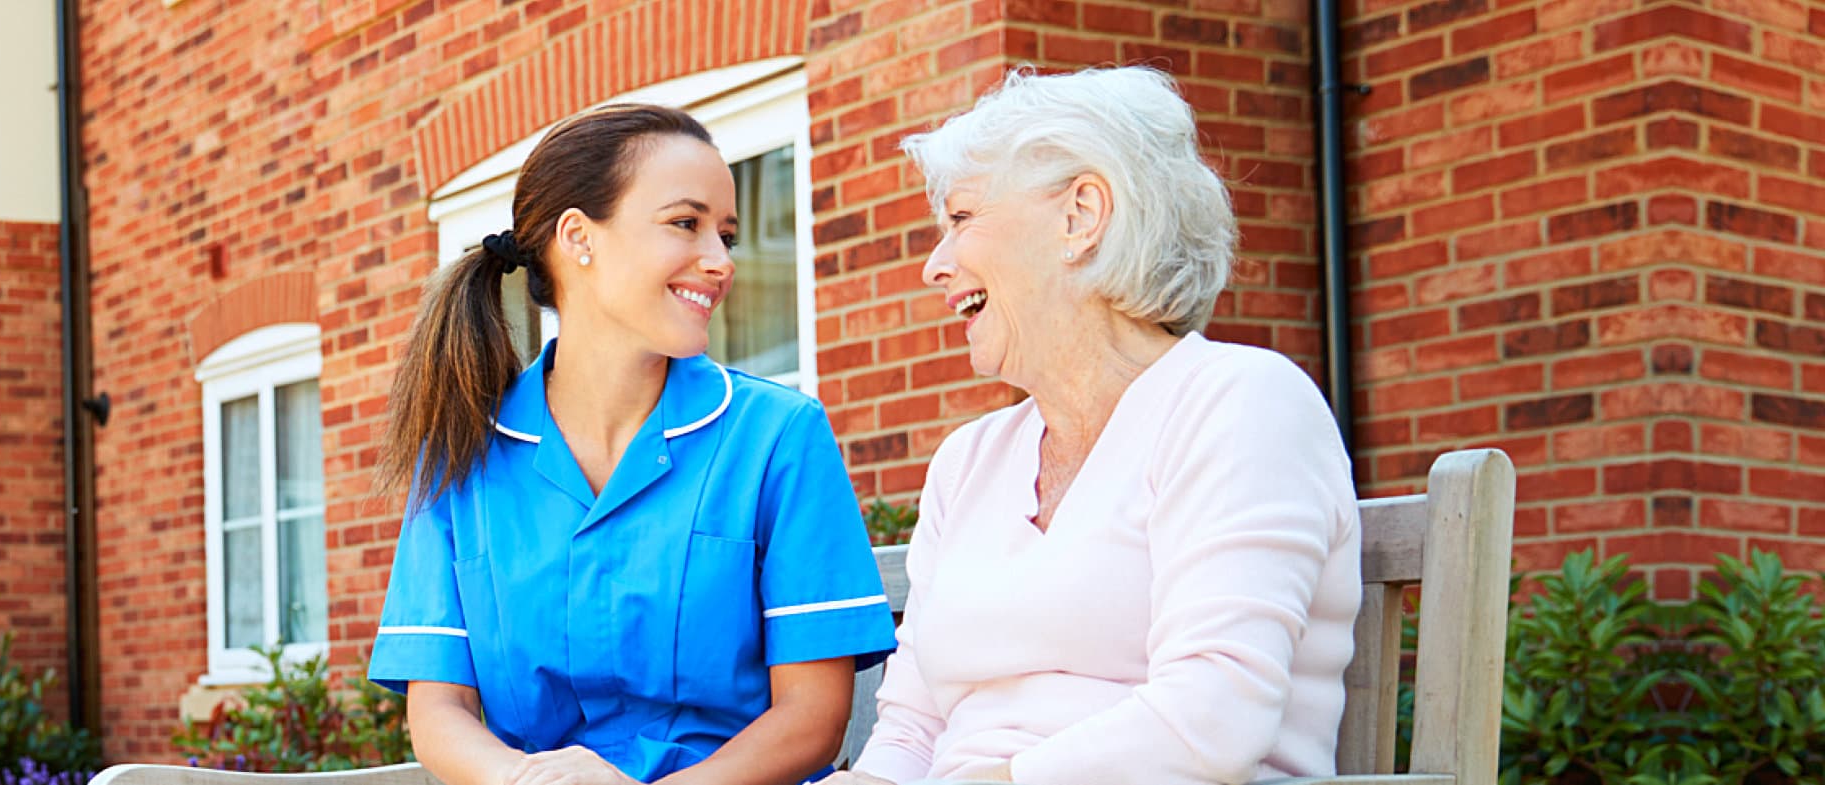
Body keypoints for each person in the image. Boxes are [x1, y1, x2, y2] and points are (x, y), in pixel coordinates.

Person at [825, 67, 1363, 784]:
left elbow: (1214, 716)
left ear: (1081, 216)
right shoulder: (970, 459)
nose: (935, 266)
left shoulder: (1240, 402)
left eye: (960, 220)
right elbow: (913, 727)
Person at [367, 103, 897, 785]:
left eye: (727, 236)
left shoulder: (779, 437)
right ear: (578, 237)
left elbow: (813, 718)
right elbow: (440, 709)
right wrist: (524, 779)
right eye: (686, 224)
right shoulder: (460, 455)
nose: (720, 261)